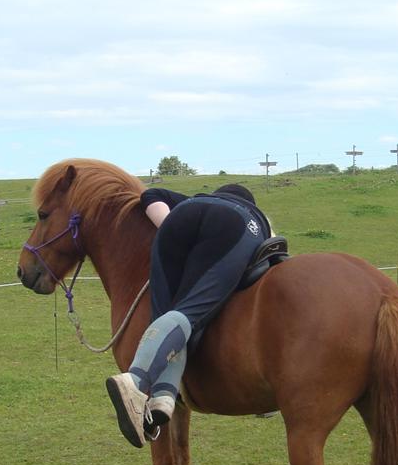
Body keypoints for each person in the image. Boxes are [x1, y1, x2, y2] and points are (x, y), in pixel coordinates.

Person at [106, 182, 274, 447]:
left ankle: (162, 398)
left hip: (177, 221)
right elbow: (275, 258)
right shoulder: (253, 214)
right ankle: (135, 382)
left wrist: (176, 230)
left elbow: (149, 194)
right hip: (234, 226)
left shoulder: (197, 199)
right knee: (191, 313)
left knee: (168, 316)